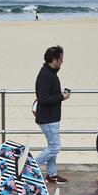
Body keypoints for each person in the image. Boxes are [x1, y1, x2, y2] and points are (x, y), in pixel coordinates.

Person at [35, 45, 70, 185]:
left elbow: (47, 95)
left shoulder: (49, 73)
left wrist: (60, 95)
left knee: (52, 146)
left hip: (51, 117)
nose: (62, 62)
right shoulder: (46, 75)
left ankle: (52, 175)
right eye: (61, 59)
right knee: (55, 147)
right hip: (47, 118)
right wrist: (61, 97)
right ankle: (29, 167)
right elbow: (43, 98)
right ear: (54, 59)